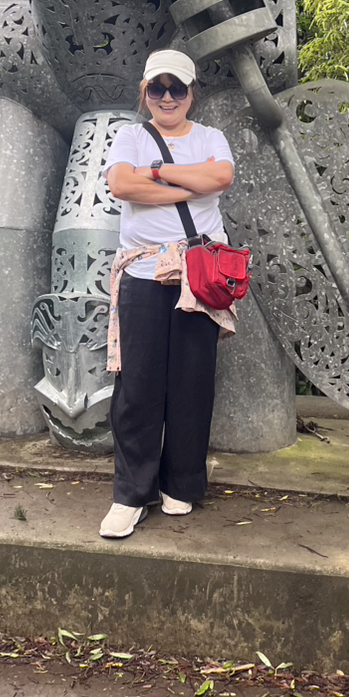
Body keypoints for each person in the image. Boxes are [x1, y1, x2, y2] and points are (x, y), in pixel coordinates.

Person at [99, 49, 236, 539]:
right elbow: (121, 184)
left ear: (191, 92)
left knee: (192, 382)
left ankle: (181, 483)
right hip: (142, 272)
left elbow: (220, 177)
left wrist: (155, 173)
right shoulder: (130, 136)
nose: (167, 97)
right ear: (145, 91)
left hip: (199, 273)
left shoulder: (210, 137)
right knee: (137, 385)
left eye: (177, 87)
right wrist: (186, 183)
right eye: (157, 87)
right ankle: (131, 494)